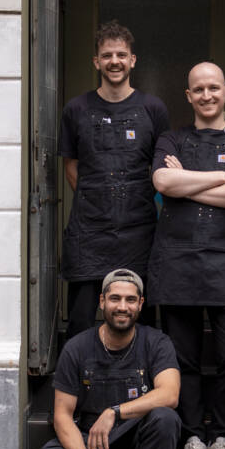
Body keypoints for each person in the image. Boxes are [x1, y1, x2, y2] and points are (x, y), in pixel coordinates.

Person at [147, 62, 225, 449]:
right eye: (198, 89)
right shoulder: (171, 138)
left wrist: (190, 186)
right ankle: (194, 439)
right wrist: (220, 177)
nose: (207, 95)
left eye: (214, 88)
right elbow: (163, 182)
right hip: (177, 261)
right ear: (188, 95)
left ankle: (223, 439)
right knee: (183, 358)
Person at [19, 269, 181, 449]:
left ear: (141, 304)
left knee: (165, 418)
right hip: (89, 441)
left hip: (136, 443)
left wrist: (115, 411)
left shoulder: (156, 342)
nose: (123, 306)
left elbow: (170, 394)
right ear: (102, 301)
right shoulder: (78, 347)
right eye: (115, 298)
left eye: (130, 300)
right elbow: (62, 415)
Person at [59, 21, 169, 337]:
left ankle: (147, 382)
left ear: (133, 60)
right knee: (80, 319)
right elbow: (71, 168)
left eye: (121, 54)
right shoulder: (76, 109)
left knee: (142, 317)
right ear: (97, 62)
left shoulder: (153, 108)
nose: (114, 61)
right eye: (107, 55)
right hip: (88, 233)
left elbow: (161, 170)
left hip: (140, 232)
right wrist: (100, 203)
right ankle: (80, 383)